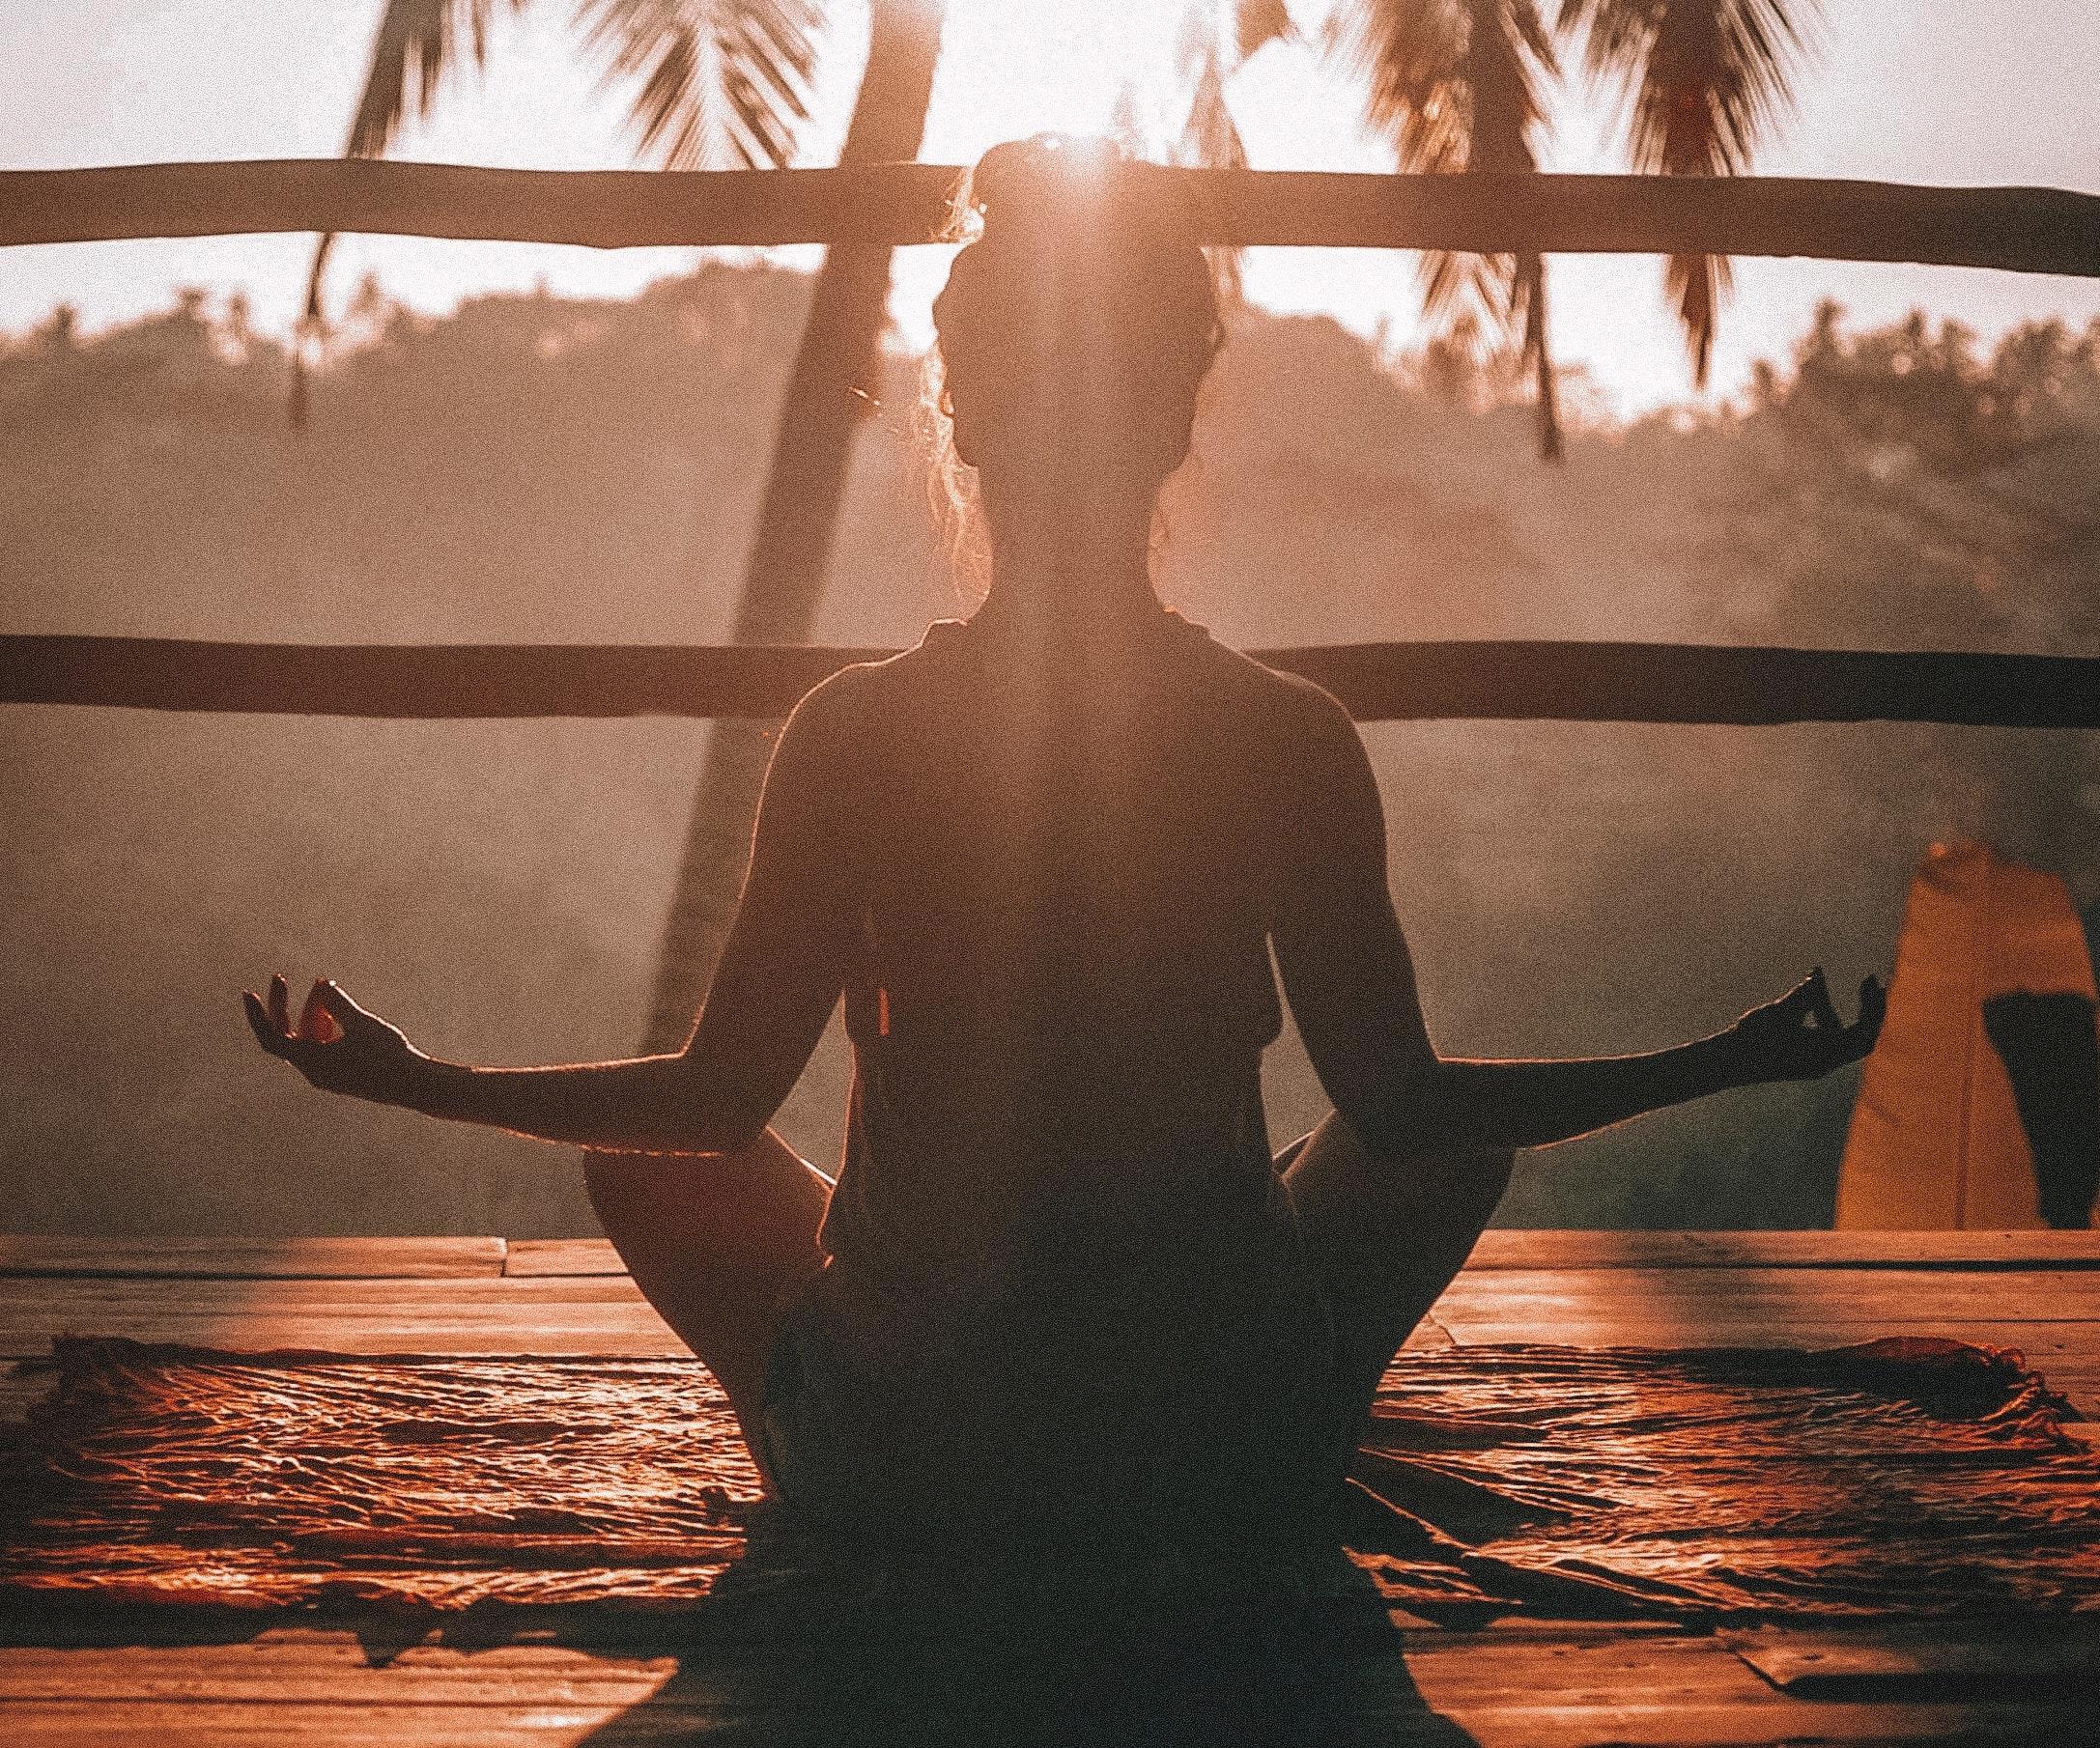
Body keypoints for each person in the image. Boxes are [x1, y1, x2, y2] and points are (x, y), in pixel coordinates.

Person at [246, 136, 1884, 1551]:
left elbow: (709, 1103)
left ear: (964, 422)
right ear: (1174, 425)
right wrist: (1723, 1058)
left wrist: (418, 1077)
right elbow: (1406, 1108)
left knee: (651, 1162)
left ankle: (854, 1438)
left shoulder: (855, 736)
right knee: (1444, 1140)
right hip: (1215, 1448)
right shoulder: (1283, 735)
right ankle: (1285, 1426)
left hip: (915, 1463)